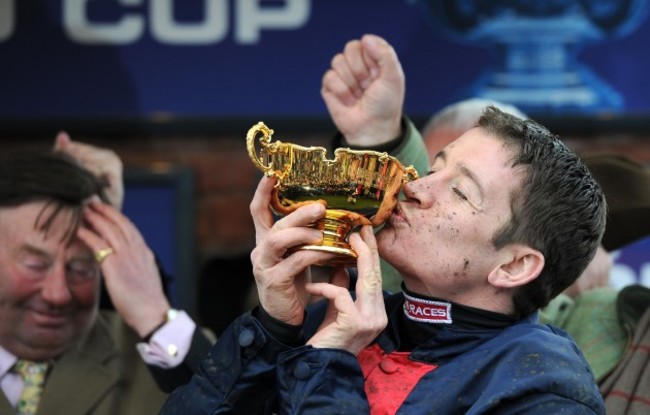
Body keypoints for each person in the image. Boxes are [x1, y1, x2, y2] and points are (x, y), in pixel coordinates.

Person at [161, 34, 606, 413]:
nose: (416, 186)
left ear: (513, 266)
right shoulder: (338, 319)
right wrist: (273, 329)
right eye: (435, 168)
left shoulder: (545, 388)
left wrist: (329, 362)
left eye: (461, 192)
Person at [0, 137, 212, 414]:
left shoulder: (167, 359)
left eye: (82, 269)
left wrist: (154, 315)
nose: (59, 294)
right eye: (34, 264)